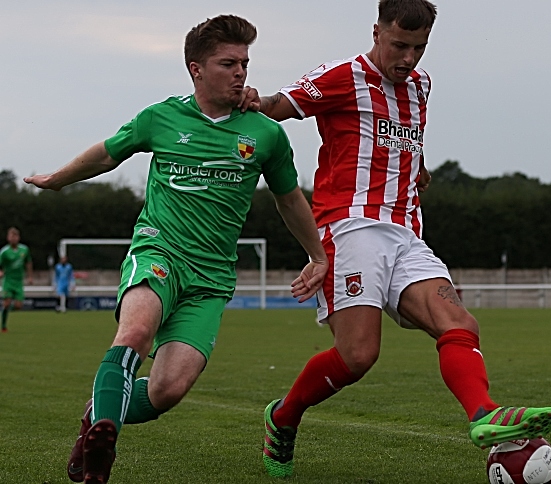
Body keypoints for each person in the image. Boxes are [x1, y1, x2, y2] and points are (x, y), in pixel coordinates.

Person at [253, 0, 551, 478]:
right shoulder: (341, 76)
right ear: (376, 31)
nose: (408, 58)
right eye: (399, 45)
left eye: (419, 48)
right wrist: (251, 100)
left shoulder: (421, 86)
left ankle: (484, 414)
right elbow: (279, 106)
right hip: (349, 225)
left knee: (459, 322)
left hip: (405, 231)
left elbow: (400, 142)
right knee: (358, 356)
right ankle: (284, 416)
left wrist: (418, 171)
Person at [24, 15, 328, 483]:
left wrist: (318, 255)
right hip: (159, 251)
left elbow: (290, 199)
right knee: (136, 333)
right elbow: (108, 153)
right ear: (196, 69)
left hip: (211, 279)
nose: (241, 72)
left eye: (245, 63)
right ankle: (102, 454)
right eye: (228, 63)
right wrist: (56, 180)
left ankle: (96, 416)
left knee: (167, 390)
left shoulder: (265, 134)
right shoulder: (160, 118)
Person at [0, 227, 33, 332]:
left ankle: (5, 310)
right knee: (7, 303)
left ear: (18, 238)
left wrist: (30, 276)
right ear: (8, 238)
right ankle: (4, 326)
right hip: (8, 281)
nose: (13, 238)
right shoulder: (4, 252)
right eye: (11, 236)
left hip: (19, 282)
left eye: (15, 236)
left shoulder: (24, 250)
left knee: (18, 306)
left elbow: (28, 263)